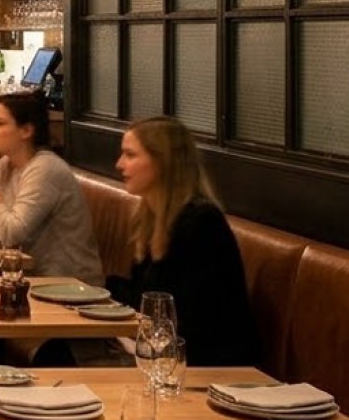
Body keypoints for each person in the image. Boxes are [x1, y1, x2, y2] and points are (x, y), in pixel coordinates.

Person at [110, 116, 261, 367]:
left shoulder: (202, 223)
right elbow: (142, 298)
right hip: (162, 356)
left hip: (208, 367)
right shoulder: (150, 218)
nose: (119, 164)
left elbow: (196, 322)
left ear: (163, 163)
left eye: (130, 155)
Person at [0, 92, 102, 284]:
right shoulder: (4, 164)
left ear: (26, 131)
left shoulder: (45, 169)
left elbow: (10, 235)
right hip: (25, 279)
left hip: (69, 285)